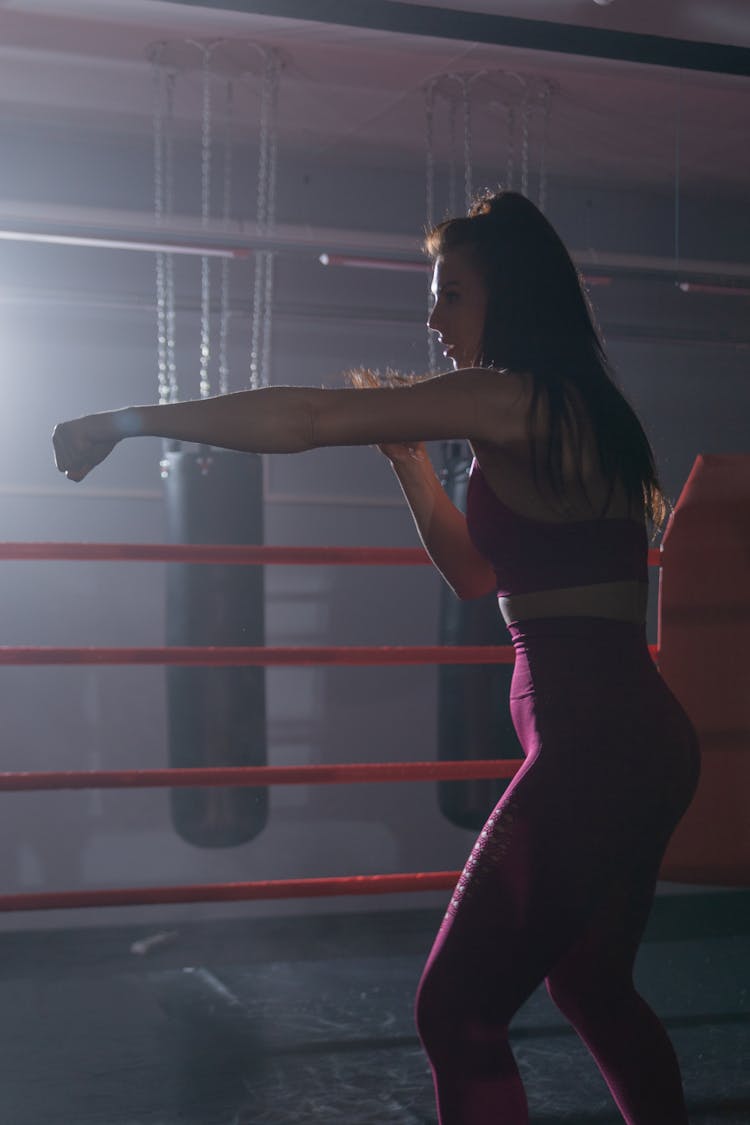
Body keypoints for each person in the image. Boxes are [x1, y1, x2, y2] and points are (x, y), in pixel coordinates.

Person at [53, 189, 700, 1125]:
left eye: (452, 295)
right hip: (637, 742)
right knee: (593, 989)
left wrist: (127, 421)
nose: (433, 319)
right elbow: (479, 577)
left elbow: (309, 417)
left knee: (454, 1012)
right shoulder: (566, 407)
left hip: (596, 748)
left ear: (507, 296)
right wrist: (409, 465)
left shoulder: (507, 396)